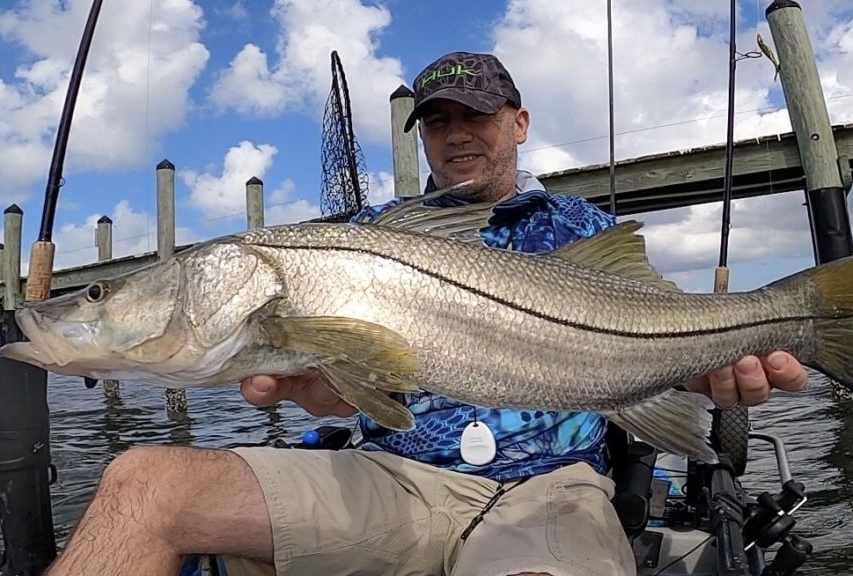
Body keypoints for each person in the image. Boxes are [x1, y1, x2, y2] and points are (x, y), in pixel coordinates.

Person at [43, 51, 808, 576]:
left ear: (519, 121)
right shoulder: (365, 238)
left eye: (473, 115)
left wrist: (711, 372)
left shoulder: (585, 232)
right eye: (436, 122)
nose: (453, 135)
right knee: (142, 481)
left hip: (550, 490)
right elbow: (351, 392)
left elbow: (665, 353)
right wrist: (324, 389)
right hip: (392, 478)